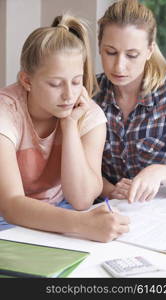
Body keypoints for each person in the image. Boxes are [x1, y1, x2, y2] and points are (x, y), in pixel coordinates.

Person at [0, 13, 130, 242]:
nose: (69, 95)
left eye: (76, 81)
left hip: (58, 215)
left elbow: (82, 200)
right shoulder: (6, 111)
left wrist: (69, 124)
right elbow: (11, 205)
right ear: (26, 81)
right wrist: (83, 224)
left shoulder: (88, 115)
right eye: (55, 84)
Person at [93, 0, 166, 203]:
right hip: (107, 210)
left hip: (161, 212)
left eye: (132, 55)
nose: (119, 66)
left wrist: (159, 173)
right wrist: (110, 190)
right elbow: (79, 167)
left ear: (150, 51)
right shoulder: (90, 94)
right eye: (111, 52)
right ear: (99, 46)